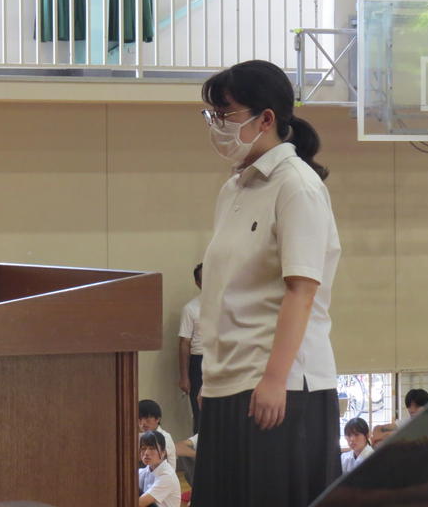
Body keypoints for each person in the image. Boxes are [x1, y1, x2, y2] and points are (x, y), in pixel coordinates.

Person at [193, 60, 342, 506]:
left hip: (281, 386)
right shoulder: (233, 190)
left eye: (226, 114)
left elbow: (302, 290)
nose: (218, 126)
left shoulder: (297, 186)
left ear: (266, 119)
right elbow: (225, 293)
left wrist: (275, 378)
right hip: (228, 381)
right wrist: (212, 378)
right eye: (213, 115)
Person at [178, 263, 204, 433]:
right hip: (199, 361)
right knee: (200, 412)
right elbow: (184, 343)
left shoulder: (229, 304)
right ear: (198, 283)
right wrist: (184, 377)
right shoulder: (191, 308)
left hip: (224, 359)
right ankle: (200, 447)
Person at [138, 430, 181, 507]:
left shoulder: (167, 476)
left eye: (152, 448)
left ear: (163, 452)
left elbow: (139, 503)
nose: (146, 453)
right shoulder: (145, 471)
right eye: (143, 448)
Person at [138, 399, 177, 469]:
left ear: (158, 419)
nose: (143, 423)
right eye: (140, 419)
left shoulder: (165, 437)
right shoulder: (140, 436)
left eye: (147, 418)